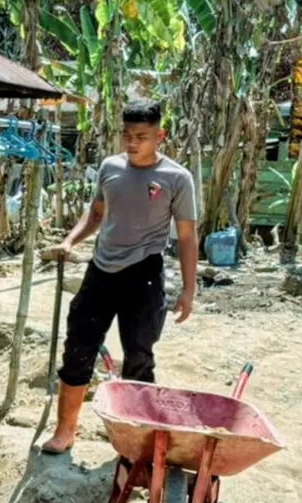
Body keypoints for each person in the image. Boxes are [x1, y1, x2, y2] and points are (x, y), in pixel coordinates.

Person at [41, 99, 199, 455]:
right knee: (78, 347)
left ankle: (138, 443)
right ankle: (65, 431)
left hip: (144, 274)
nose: (132, 143)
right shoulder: (110, 167)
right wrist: (70, 240)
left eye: (141, 136)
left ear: (160, 136)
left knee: (139, 356)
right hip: (101, 270)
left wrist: (189, 290)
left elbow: (187, 236)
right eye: (127, 135)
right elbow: (96, 215)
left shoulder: (177, 178)